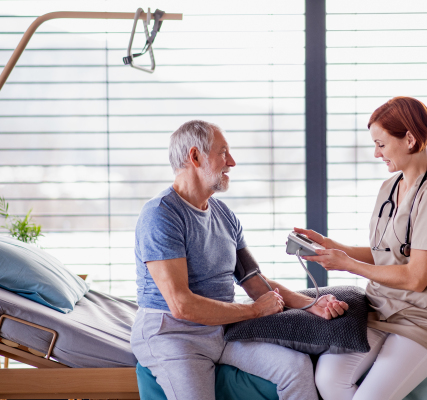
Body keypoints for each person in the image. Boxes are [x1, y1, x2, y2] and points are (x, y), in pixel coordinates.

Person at [130, 120, 349, 400]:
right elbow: (181, 306)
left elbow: (253, 280)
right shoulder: (161, 214)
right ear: (195, 156)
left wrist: (310, 304)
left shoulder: (224, 215)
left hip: (221, 330)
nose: (231, 162)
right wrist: (254, 311)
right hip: (173, 335)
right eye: (223, 153)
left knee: (295, 368)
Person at [297, 97, 427, 400]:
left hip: (422, 320)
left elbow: (416, 278)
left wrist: (346, 264)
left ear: (410, 139)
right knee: (328, 380)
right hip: (379, 309)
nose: (376, 153)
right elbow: (388, 254)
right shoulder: (390, 187)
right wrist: (334, 247)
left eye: (382, 145)